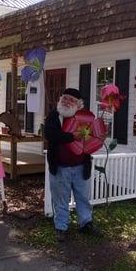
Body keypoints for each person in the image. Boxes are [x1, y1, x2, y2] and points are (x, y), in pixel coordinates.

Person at [44, 88, 101, 242]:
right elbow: (50, 135)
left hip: (81, 166)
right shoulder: (53, 116)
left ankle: (86, 224)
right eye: (65, 98)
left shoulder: (85, 118)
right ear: (60, 99)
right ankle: (61, 227)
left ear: (79, 104)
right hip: (60, 166)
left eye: (71, 100)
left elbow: (94, 136)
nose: (67, 102)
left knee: (83, 197)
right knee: (60, 199)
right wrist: (71, 136)